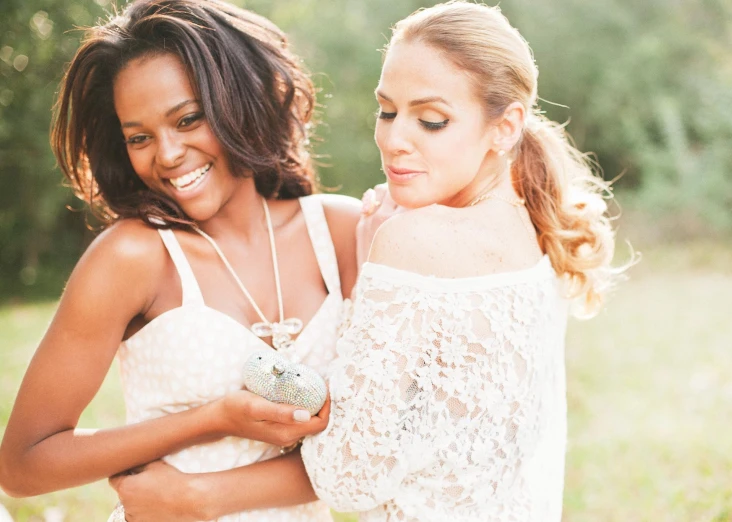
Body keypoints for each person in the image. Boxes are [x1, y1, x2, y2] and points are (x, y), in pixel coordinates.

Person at [97, 1, 629, 521]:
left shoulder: (407, 241)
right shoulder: (536, 229)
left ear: (505, 125)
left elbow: (348, 478)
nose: (396, 140)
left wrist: (365, 282)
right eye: (387, 110)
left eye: (432, 121)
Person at [0, 1, 363, 520]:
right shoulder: (133, 257)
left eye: (188, 119)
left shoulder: (342, 232)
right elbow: (22, 465)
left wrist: (199, 495)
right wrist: (212, 419)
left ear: (241, 100)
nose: (167, 154)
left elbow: (383, 448)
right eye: (139, 138)